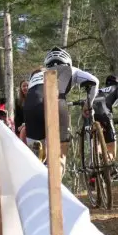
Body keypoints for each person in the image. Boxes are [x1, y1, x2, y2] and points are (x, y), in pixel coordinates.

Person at [23, 47, 99, 177]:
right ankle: (54, 187)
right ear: (67, 62)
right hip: (56, 102)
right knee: (60, 157)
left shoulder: (36, 74)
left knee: (37, 155)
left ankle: (39, 164)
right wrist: (88, 105)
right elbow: (94, 82)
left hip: (31, 106)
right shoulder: (71, 70)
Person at [92, 74, 118, 168]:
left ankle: (97, 158)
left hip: (91, 113)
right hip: (104, 113)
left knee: (97, 141)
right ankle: (109, 162)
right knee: (111, 144)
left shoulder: (98, 91)